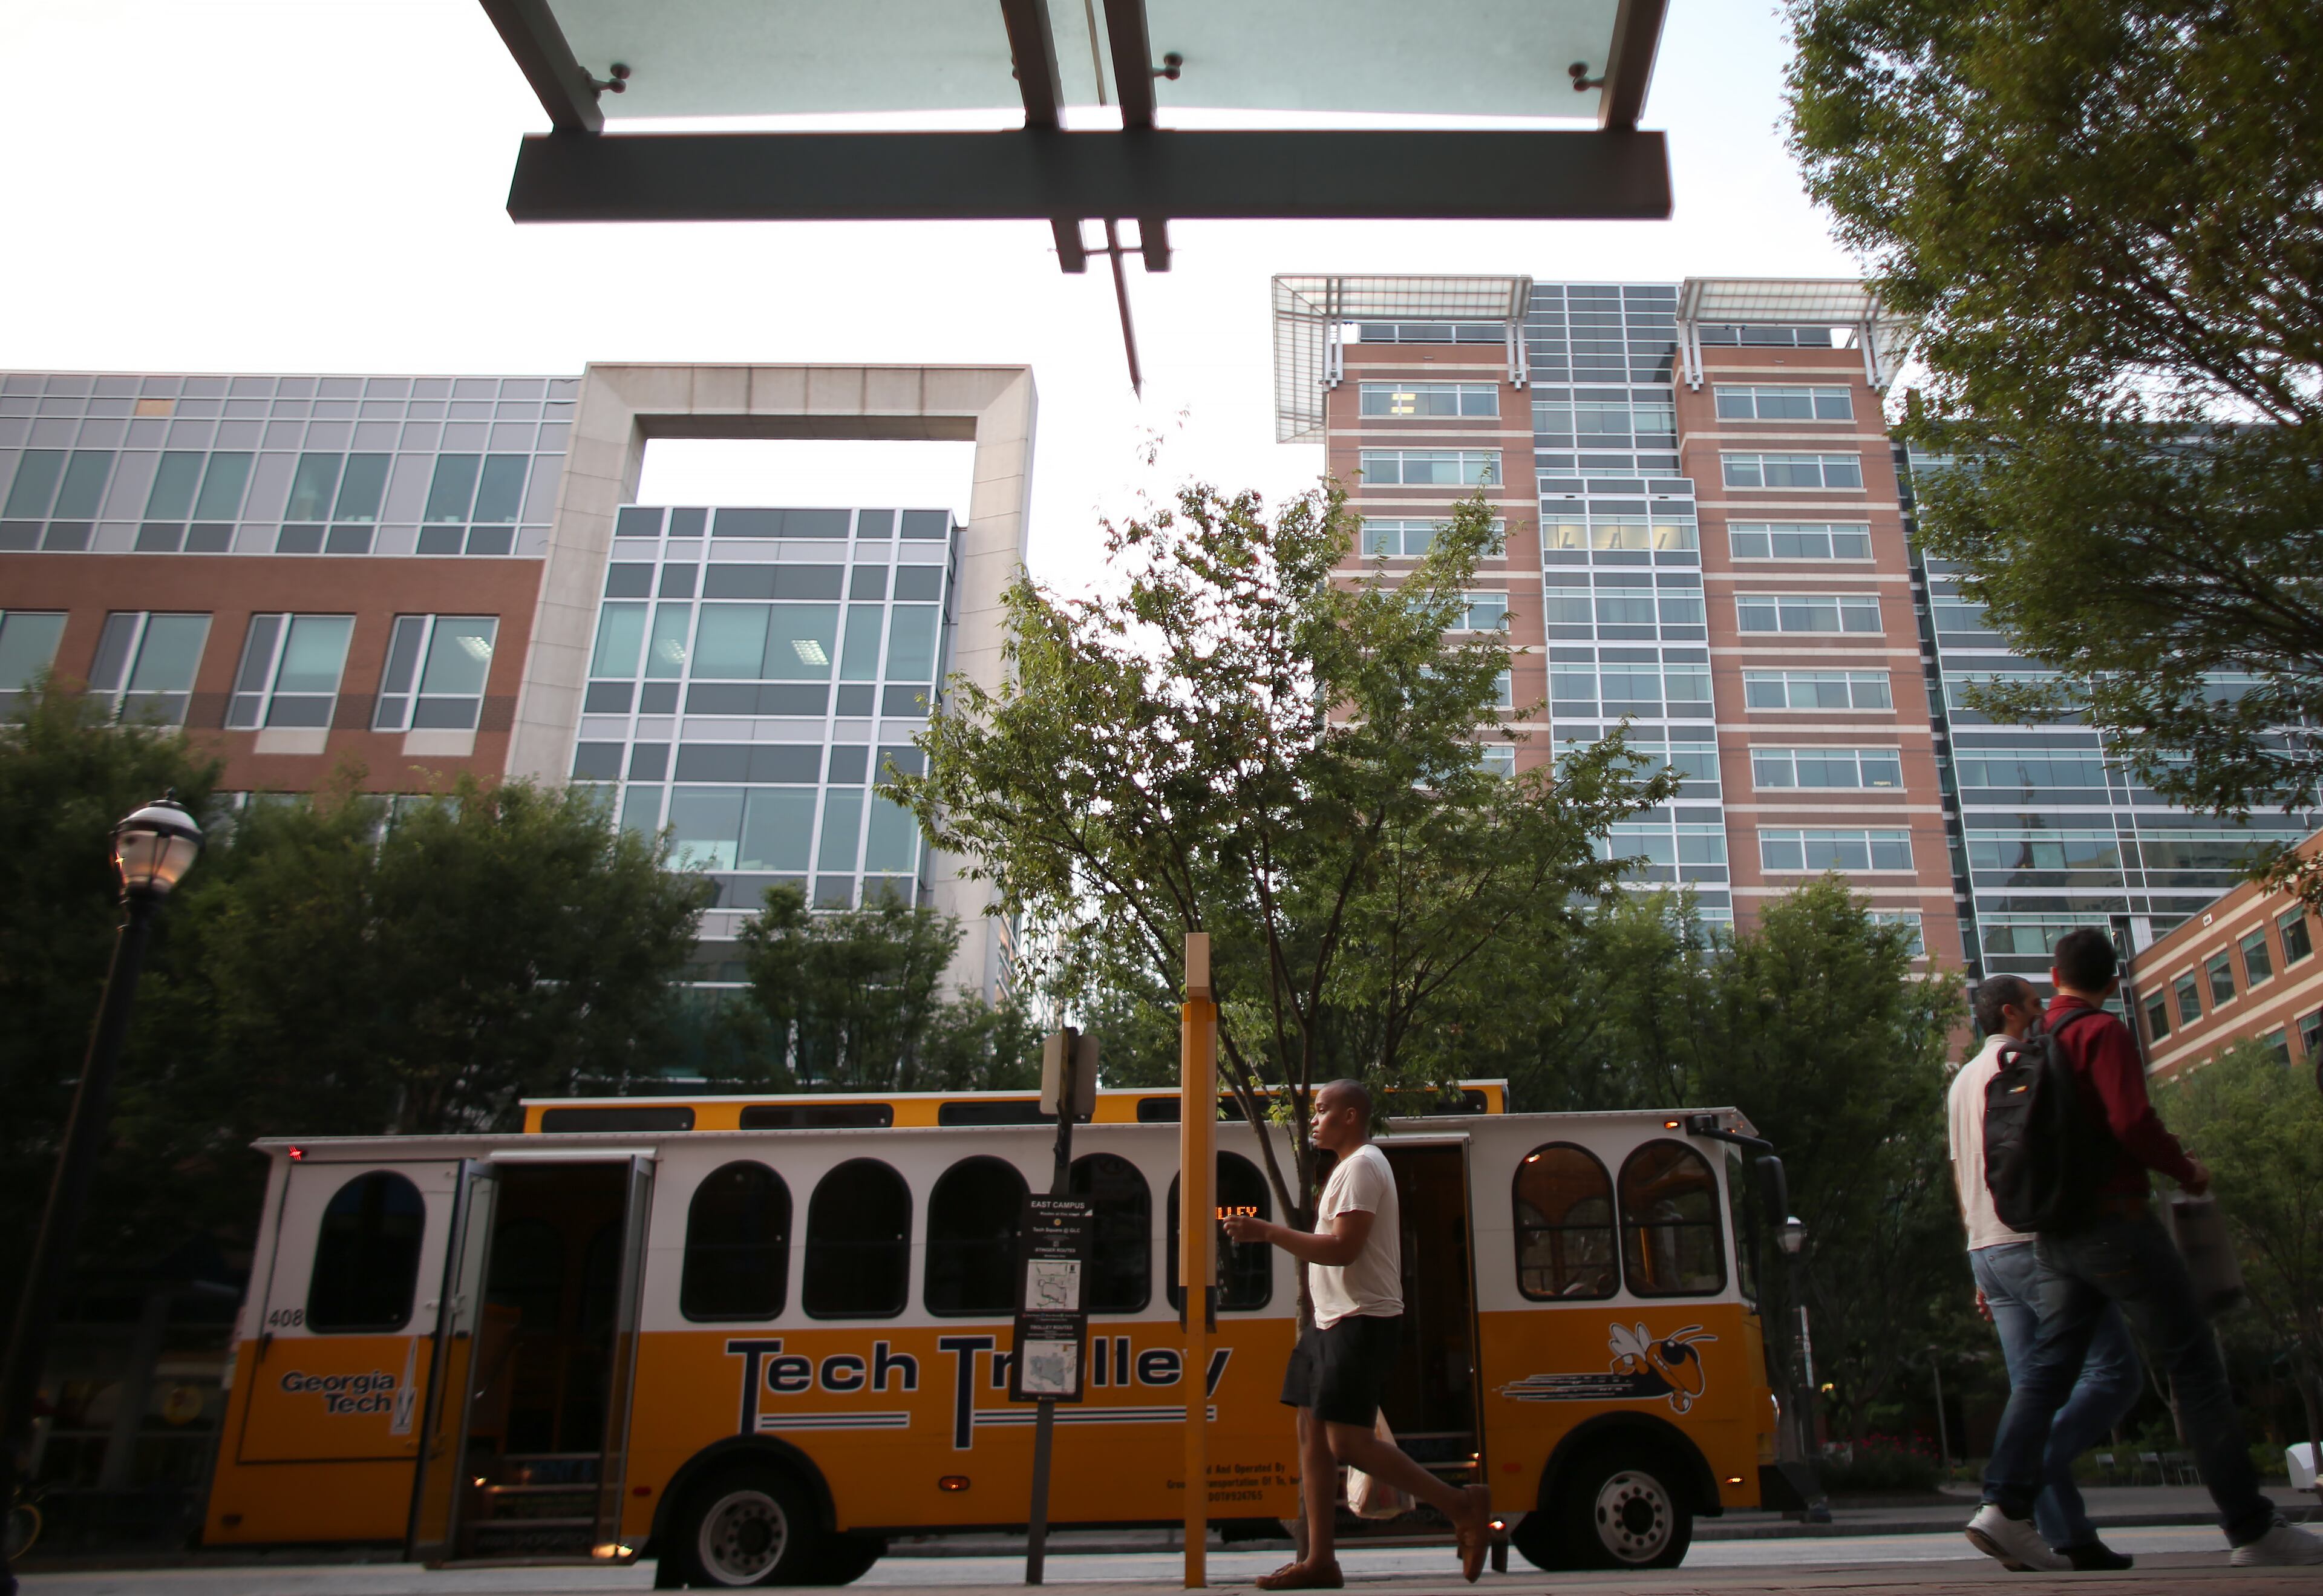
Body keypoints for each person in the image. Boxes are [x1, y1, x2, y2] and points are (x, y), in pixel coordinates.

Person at [1965, 929, 2323, 1570]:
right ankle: (2252, 1526)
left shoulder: (2038, 1042)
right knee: (2194, 1368)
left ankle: (2003, 1506)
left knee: (2046, 1372)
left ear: (2054, 975)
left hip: (2055, 1235)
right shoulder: (2101, 1033)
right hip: (2116, 1224)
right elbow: (2130, 1121)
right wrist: (2185, 1168)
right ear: (2113, 981)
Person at [1223, 1079, 1492, 1589]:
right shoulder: (1345, 1171)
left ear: (1350, 1116)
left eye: (1322, 1111)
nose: (1314, 1121)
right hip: (1329, 1322)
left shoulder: (1363, 1166)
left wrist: (1268, 1233)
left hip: (1362, 1319)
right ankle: (1320, 1559)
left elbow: (1344, 1249)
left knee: (1347, 1443)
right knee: (1311, 1435)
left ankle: (1462, 1505)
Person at [1949, 973, 2142, 1571]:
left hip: (1987, 1246)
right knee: (2116, 1372)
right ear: (2010, 1011)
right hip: (2033, 1241)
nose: (2044, 1013)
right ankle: (2013, 1492)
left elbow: (1962, 1170)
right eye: (2035, 1005)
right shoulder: (2024, 1061)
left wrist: (1977, 1266)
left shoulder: (1959, 1082)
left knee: (2034, 1390)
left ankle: (2065, 1536)